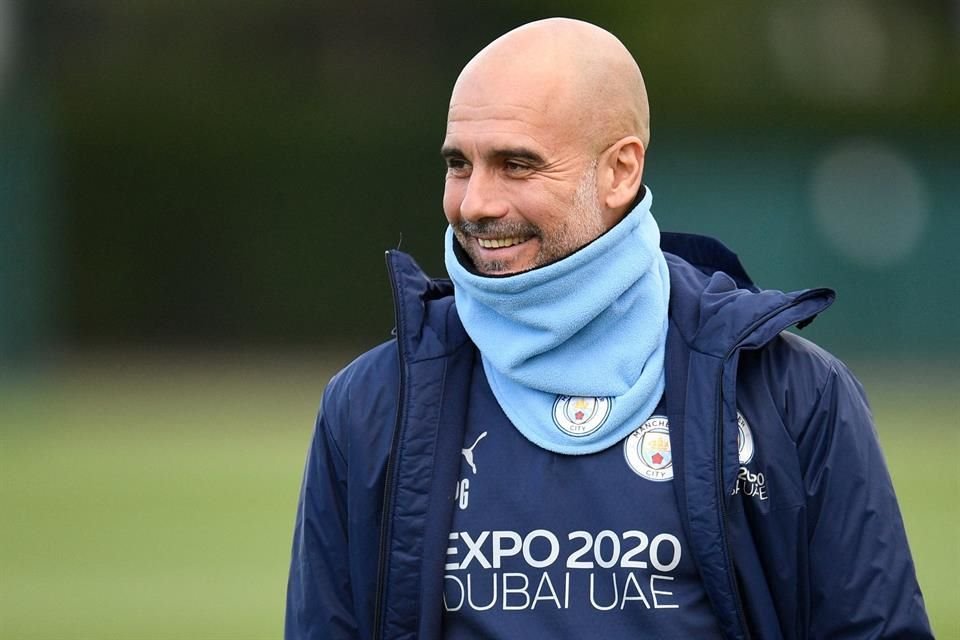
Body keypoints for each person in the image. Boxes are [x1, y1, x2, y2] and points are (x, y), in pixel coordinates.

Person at [285, 18, 932, 640]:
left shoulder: (796, 397)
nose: (475, 203)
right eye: (460, 164)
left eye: (516, 164)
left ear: (621, 170)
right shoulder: (370, 407)